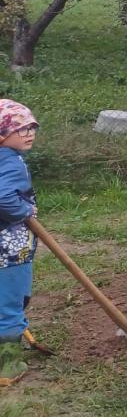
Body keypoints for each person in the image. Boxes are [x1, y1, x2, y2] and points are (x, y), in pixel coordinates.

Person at [0, 101, 39, 383]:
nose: (30, 133)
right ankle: (8, 366)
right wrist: (25, 211)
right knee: (11, 302)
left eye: (32, 127)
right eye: (21, 129)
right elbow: (3, 197)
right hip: (10, 248)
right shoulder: (10, 162)